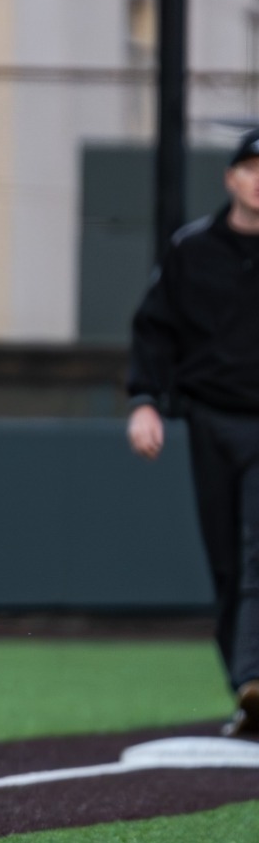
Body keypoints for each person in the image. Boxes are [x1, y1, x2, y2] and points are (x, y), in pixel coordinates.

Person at [127, 126, 259, 739]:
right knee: (227, 561)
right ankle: (246, 691)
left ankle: (255, 677)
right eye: (252, 167)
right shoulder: (191, 250)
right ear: (231, 176)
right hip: (211, 419)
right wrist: (145, 402)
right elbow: (155, 330)